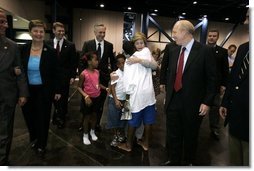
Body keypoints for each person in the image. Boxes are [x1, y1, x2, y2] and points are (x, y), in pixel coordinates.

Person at [160, 20, 216, 165]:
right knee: (173, 134)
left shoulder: (205, 51)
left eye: (175, 32)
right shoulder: (172, 49)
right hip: (173, 99)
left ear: (185, 32)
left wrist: (207, 101)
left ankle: (188, 161)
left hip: (194, 103)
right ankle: (173, 160)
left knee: (191, 135)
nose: (173, 36)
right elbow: (169, 72)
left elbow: (212, 79)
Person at [20, 20, 62, 157]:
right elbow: (20, 68)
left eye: (41, 31)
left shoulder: (50, 51)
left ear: (44, 33)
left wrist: (57, 91)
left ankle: (41, 144)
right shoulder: (23, 49)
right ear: (30, 32)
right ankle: (34, 137)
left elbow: (56, 72)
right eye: (36, 31)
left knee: (43, 118)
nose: (38, 34)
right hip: (27, 90)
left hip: (44, 90)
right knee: (29, 116)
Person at [117, 32, 158, 152]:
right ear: (134, 45)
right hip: (148, 93)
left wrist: (126, 95)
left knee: (131, 119)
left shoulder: (130, 60)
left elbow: (127, 81)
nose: (140, 45)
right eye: (137, 43)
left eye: (142, 43)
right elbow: (155, 66)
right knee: (148, 120)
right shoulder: (146, 53)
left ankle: (129, 145)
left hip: (134, 94)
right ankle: (145, 143)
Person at [219, 9, 249, 166]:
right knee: (235, 159)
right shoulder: (243, 48)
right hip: (236, 115)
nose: (245, 22)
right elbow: (233, 78)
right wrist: (225, 102)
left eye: (249, 18)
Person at [0, 9, 28, 165]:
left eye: (5, 21)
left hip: (7, 96)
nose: (5, 25)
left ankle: (2, 162)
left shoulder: (12, 46)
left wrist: (23, 93)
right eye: (1, 22)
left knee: (4, 133)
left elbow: (20, 70)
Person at [80, 24, 116, 132]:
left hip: (103, 79)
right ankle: (84, 124)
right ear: (94, 32)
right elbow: (82, 61)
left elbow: (113, 61)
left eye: (104, 32)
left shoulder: (109, 45)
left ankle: (96, 125)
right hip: (88, 79)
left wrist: (113, 74)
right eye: (100, 32)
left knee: (99, 103)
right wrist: (83, 75)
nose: (102, 34)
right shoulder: (87, 44)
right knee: (86, 103)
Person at [47, 22, 77, 129]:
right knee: (53, 98)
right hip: (50, 77)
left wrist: (73, 76)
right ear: (53, 31)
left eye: (63, 31)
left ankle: (61, 118)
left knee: (63, 99)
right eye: (59, 30)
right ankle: (56, 113)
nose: (61, 33)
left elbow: (73, 62)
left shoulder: (70, 45)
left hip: (64, 77)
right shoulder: (47, 43)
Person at [77, 51, 109, 145]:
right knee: (87, 117)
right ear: (89, 62)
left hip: (97, 98)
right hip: (88, 99)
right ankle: (85, 135)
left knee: (95, 116)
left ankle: (92, 131)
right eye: (96, 60)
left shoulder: (97, 72)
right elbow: (79, 87)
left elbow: (98, 84)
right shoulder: (84, 73)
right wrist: (86, 96)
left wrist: (106, 88)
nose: (97, 61)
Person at [206, 29, 229, 140]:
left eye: (214, 36)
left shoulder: (223, 52)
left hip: (215, 86)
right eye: (210, 35)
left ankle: (214, 128)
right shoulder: (201, 49)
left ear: (217, 37)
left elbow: (225, 70)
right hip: (201, 85)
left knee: (215, 108)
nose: (212, 37)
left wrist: (224, 85)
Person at [106, 54, 127, 147]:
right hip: (115, 99)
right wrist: (116, 100)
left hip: (125, 100)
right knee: (114, 119)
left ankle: (121, 134)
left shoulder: (130, 73)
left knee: (123, 120)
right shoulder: (115, 74)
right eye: (120, 63)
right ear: (117, 65)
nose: (122, 65)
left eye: (124, 62)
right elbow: (113, 88)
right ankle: (115, 136)